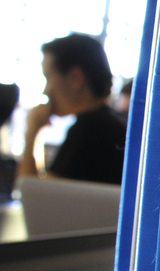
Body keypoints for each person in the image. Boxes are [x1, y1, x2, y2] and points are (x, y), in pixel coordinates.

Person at [19, 34, 126, 185]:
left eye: (48, 77)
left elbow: (33, 199)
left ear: (75, 78)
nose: (45, 91)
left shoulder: (90, 129)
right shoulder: (114, 123)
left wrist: (32, 132)